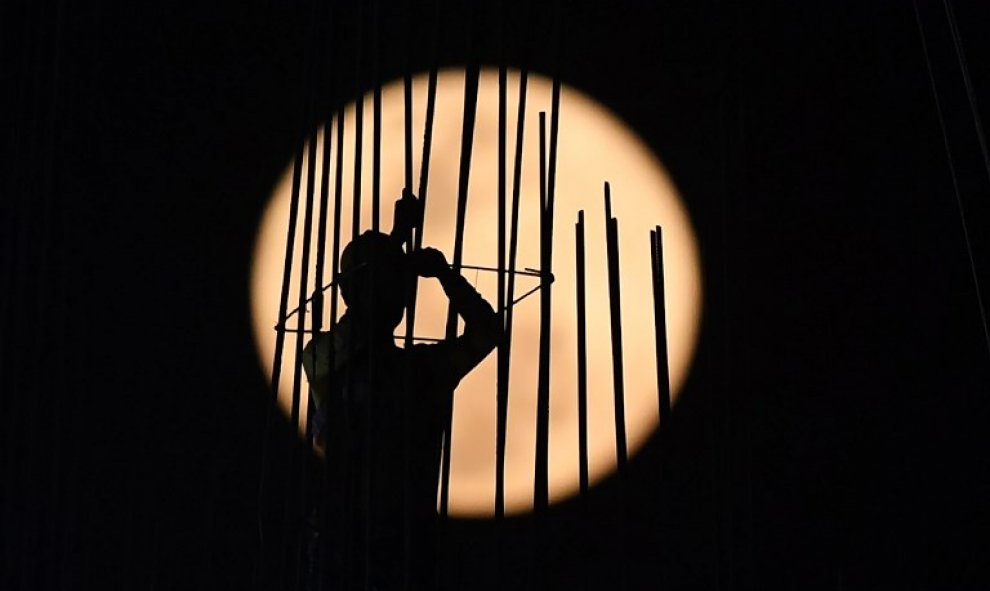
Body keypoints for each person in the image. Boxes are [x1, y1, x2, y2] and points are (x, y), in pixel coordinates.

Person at [302, 191, 501, 590]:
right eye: (384, 283)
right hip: (346, 540)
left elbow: (488, 332)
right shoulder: (324, 359)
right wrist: (396, 243)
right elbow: (362, 321)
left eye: (397, 285)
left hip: (407, 544)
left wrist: (445, 274)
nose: (395, 293)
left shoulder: (422, 369)